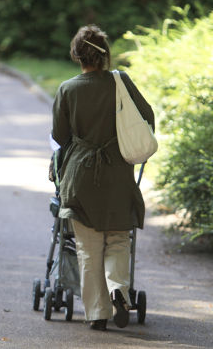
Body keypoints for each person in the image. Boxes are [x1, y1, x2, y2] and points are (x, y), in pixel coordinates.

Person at [51, 24, 155, 331]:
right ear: (105, 54)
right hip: (118, 171)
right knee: (119, 240)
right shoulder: (120, 81)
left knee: (88, 247)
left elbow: (59, 135)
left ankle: (97, 313)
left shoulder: (67, 89)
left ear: (76, 55)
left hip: (79, 177)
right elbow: (147, 117)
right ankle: (119, 290)